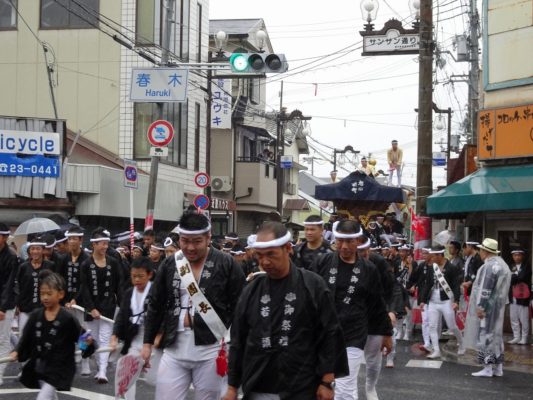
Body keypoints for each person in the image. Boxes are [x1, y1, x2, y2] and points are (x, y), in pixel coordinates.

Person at [223, 222, 348, 400]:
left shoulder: (313, 285)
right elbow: (238, 340)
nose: (265, 262)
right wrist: (232, 387)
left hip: (301, 384)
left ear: (288, 248)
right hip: (258, 382)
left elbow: (329, 333)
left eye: (271, 254)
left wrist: (327, 381)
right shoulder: (251, 290)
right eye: (260, 256)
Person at [142, 212, 245, 400]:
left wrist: (234, 347)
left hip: (212, 349)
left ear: (209, 237)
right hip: (174, 346)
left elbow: (240, 308)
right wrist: (147, 342)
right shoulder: (171, 264)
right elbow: (156, 304)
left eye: (197, 241)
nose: (190, 247)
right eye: (184, 241)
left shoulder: (226, 263)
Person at [311, 220, 392, 400]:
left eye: (350, 241)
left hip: (353, 334)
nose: (345, 246)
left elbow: (377, 305)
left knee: (345, 388)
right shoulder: (322, 262)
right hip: (323, 333)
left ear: (358, 240)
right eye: (340, 241)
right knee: (318, 386)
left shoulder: (369, 269)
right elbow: (309, 296)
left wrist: (386, 334)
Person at [10, 271, 95, 400]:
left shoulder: (67, 318)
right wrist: (17, 351)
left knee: (43, 397)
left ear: (60, 294)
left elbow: (81, 339)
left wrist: (87, 343)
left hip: (59, 367)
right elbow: (26, 338)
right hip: (40, 365)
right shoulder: (36, 315)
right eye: (42, 294)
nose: (45, 297)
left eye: (49, 294)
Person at [79, 228, 123, 383]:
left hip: (108, 307)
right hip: (91, 309)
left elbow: (119, 286)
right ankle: (95, 365)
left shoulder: (114, 263)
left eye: (107, 244)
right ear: (94, 245)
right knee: (92, 338)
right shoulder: (85, 264)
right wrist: (91, 308)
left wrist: (122, 306)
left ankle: (102, 371)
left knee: (105, 338)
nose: (105, 247)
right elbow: (84, 289)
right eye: (102, 244)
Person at [464, 238, 512, 377]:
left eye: (480, 250)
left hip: (489, 307)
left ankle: (488, 367)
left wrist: (481, 307)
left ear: (485, 251)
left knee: (486, 335)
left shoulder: (489, 266)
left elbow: (485, 289)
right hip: (499, 307)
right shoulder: (503, 264)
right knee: (497, 336)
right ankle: (498, 367)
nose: (480, 252)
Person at [111, 257, 154, 400]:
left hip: (155, 343)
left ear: (150, 274)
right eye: (133, 276)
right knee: (124, 372)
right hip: (134, 340)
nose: (136, 279)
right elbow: (122, 315)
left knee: (156, 380)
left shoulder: (157, 292)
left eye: (140, 276)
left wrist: (155, 342)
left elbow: (163, 319)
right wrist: (114, 337)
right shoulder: (129, 293)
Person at [357, 236, 394, 399]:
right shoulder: (339, 263)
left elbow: (392, 289)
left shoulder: (379, 263)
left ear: (369, 250)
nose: (360, 255)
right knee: (348, 363)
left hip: (375, 317)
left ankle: (370, 388)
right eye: (357, 252)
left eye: (363, 252)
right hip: (351, 321)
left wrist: (392, 311)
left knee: (373, 362)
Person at [419, 245, 465, 359]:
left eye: (433, 255)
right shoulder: (431, 267)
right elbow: (427, 284)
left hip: (446, 301)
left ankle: (462, 343)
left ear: (440, 255)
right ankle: (436, 350)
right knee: (432, 326)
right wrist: (422, 300)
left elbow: (455, 286)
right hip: (433, 301)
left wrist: (456, 301)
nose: (431, 258)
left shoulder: (451, 268)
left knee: (452, 326)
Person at [16, 238, 55, 334]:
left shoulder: (50, 265)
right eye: (32, 249)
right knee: (24, 335)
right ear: (29, 251)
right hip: (25, 307)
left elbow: (54, 285)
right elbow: (18, 285)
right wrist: (17, 303)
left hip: (44, 308)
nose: (35, 251)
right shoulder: (23, 267)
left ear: (43, 250)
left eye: (38, 249)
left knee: (41, 335)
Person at [0, 223, 18, 386]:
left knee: (3, 339)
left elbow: (9, 284)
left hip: (5, 305)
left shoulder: (11, 256)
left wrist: (2, 308)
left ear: (4, 238)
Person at [57, 227, 89, 307]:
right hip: (64, 300)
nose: (71, 242)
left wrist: (76, 299)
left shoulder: (87, 259)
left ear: (80, 240)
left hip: (81, 303)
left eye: (74, 239)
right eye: (69, 239)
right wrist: (63, 300)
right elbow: (59, 279)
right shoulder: (63, 258)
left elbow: (85, 283)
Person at [507, 248, 531, 345]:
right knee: (513, 317)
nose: (517, 257)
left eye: (519, 255)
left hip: (523, 296)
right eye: (515, 255)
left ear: (522, 256)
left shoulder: (526, 266)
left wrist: (515, 277)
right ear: (512, 256)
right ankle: (516, 336)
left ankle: (524, 338)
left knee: (524, 318)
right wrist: (516, 277)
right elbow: (509, 279)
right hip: (512, 296)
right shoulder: (511, 266)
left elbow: (523, 277)